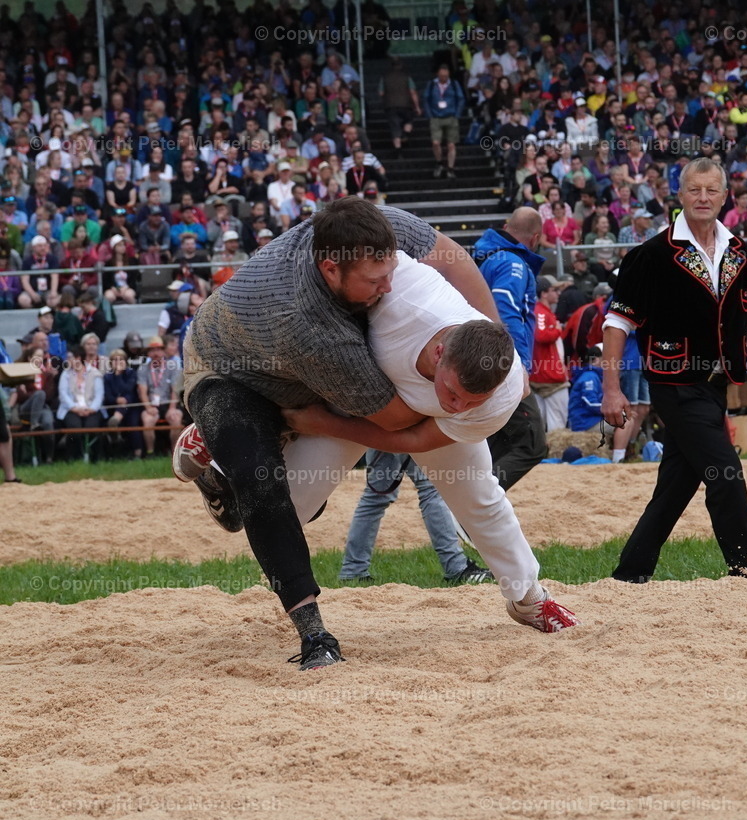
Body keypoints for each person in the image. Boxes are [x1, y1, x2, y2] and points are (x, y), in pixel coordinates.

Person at [174, 198, 539, 669]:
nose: (388, 286)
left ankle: (531, 596)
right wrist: (318, 424)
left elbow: (454, 259)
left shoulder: (375, 228)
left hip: (324, 377)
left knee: (472, 484)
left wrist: (496, 339)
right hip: (232, 367)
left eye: (390, 271)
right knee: (263, 499)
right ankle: (310, 627)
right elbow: (393, 422)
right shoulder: (312, 326)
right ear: (331, 269)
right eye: (374, 280)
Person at [278, 252, 579, 634]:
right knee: (282, 507)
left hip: (399, 417)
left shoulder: (501, 396)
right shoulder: (405, 291)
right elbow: (422, 253)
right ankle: (225, 457)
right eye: (454, 393)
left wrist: (326, 424)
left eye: (472, 401)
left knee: (481, 499)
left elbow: (415, 439)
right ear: (439, 353)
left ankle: (529, 597)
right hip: (363, 388)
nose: (458, 407)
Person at [602, 157, 747, 583]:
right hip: (674, 383)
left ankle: (630, 573)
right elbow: (617, 324)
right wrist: (612, 390)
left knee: (676, 484)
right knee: (726, 473)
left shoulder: (742, 254)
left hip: (718, 386)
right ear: (679, 195)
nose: (703, 197)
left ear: (725, 196)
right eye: (695, 189)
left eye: (711, 190)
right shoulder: (650, 256)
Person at [473, 208, 549, 489]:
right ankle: (478, 503)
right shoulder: (513, 263)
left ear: (507, 227)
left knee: (497, 443)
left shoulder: (485, 258)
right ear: (536, 238)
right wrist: (517, 364)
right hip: (502, 363)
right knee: (532, 445)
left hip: (480, 359)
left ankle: (472, 505)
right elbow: (506, 313)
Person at [338, 449, 493, 585]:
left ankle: (353, 570)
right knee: (431, 486)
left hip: (378, 427)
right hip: (401, 426)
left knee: (376, 495)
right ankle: (456, 567)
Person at [530, 276, 569, 431]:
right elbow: (540, 335)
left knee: (542, 423)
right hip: (550, 375)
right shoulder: (540, 311)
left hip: (544, 373)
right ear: (544, 293)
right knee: (557, 424)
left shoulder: (544, 311)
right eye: (554, 290)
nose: (558, 293)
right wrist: (557, 330)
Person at [136, 335, 183, 456]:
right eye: (152, 350)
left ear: (163, 351)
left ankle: (175, 453)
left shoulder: (173, 366)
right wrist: (148, 408)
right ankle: (150, 452)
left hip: (169, 403)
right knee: (147, 419)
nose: (155, 353)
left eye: (158, 349)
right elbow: (142, 391)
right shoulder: (143, 369)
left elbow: (175, 390)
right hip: (152, 404)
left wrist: (172, 408)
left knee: (176, 418)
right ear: (148, 353)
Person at [422, 65, 465, 180]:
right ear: (437, 74)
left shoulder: (454, 84)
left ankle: (450, 168)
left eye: (446, 76)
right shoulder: (432, 84)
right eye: (442, 76)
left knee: (451, 144)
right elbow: (425, 98)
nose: (444, 78)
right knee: (435, 143)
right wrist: (429, 114)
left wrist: (457, 114)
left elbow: (461, 98)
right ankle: (439, 162)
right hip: (436, 116)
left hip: (451, 116)